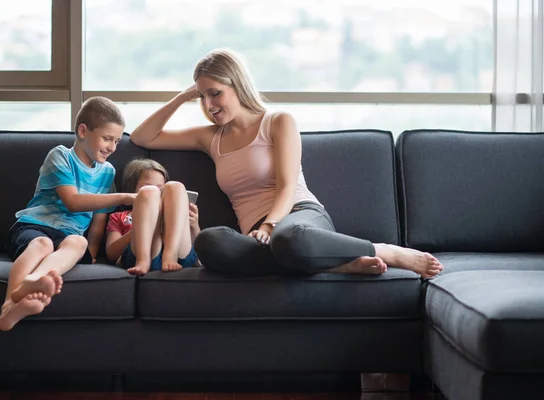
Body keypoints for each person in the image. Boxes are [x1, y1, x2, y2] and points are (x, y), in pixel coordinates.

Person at [129, 49, 443, 278]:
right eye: (203, 97)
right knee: (210, 243)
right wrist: (182, 98)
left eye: (215, 93)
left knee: (290, 240)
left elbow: (287, 184)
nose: (209, 105)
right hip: (256, 236)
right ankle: (336, 264)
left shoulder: (278, 122)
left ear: (236, 85)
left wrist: (270, 225)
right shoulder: (209, 137)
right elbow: (145, 136)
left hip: (299, 217)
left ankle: (385, 250)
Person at [0, 96, 137, 331]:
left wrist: (92, 252)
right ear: (83, 131)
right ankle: (9, 304)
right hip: (34, 226)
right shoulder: (60, 156)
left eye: (116, 142)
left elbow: (98, 219)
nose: (112, 147)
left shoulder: (107, 173)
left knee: (78, 242)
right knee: (42, 244)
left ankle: (34, 280)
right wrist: (124, 197)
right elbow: (73, 202)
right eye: (107, 138)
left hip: (68, 235)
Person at [105, 158, 200, 275]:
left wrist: (194, 225)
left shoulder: (174, 210)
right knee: (149, 193)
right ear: (131, 188)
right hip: (140, 256)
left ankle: (170, 254)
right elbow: (111, 253)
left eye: (160, 189)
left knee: (176, 186)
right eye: (145, 186)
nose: (157, 194)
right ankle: (143, 260)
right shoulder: (119, 217)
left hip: (179, 255)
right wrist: (140, 228)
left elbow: (199, 245)